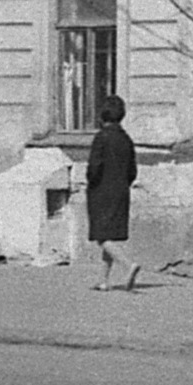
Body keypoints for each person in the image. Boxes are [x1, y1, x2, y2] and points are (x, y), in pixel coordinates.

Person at [85, 94, 139, 291]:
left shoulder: (101, 138)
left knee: (101, 236)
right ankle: (103, 281)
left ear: (102, 116)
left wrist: (91, 182)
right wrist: (123, 183)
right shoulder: (126, 139)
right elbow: (133, 171)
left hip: (101, 191)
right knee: (109, 235)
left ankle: (128, 265)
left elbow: (94, 167)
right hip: (121, 191)